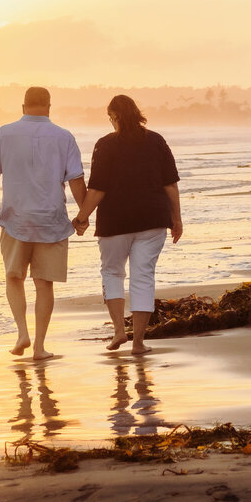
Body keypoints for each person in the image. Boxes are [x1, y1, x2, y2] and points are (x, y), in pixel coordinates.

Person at [0, 86, 85, 361]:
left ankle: (22, 332)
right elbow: (76, 180)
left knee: (14, 277)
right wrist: (84, 216)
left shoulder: (3, 133)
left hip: (15, 219)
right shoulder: (64, 137)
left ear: (23, 107)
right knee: (44, 284)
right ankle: (40, 347)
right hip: (51, 220)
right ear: (49, 107)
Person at [71, 94, 182, 355]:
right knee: (143, 277)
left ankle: (119, 330)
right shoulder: (156, 140)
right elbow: (170, 184)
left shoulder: (105, 145)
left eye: (110, 117)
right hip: (153, 219)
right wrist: (176, 219)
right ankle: (138, 343)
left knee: (112, 273)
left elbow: (97, 188)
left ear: (115, 116)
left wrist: (81, 218)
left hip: (115, 221)